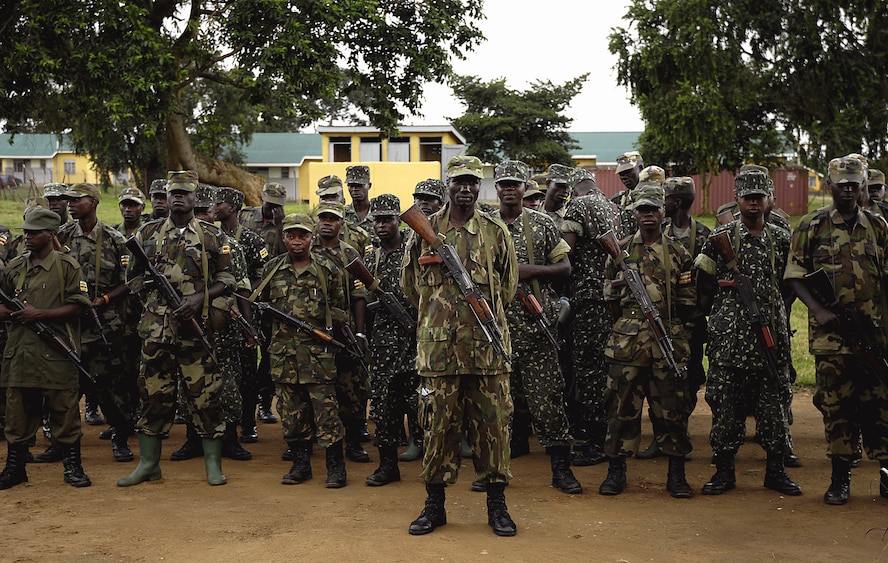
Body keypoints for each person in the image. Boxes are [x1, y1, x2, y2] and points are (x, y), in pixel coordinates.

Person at [402, 155, 518, 537]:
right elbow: (409, 285)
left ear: (479, 185)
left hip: (487, 349)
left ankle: (497, 505)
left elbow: (508, 285)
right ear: (448, 185)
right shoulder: (423, 229)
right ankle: (434, 504)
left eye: (472, 181)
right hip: (438, 352)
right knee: (437, 426)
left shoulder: (494, 230)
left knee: (494, 426)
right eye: (458, 181)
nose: (465, 187)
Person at [118, 170, 236, 487]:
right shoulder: (148, 233)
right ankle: (148, 464)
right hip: (157, 332)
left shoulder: (213, 236)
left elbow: (227, 280)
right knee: (153, 396)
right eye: (174, 192)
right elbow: (132, 279)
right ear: (167, 197)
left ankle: (213, 465)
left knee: (206, 398)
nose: (179, 197)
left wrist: (199, 298)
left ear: (196, 197)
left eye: (185, 192)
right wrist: (156, 299)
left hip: (195, 331)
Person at [785, 155, 888, 505]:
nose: (848, 190)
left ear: (862, 187)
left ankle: (886, 475)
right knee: (838, 409)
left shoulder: (877, 226)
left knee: (880, 408)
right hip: (832, 340)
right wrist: (817, 309)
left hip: (874, 336)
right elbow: (795, 274)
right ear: (830, 187)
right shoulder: (811, 226)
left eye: (854, 185)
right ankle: (840, 480)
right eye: (841, 185)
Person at [695, 168, 801, 497]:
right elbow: (703, 281)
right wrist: (724, 307)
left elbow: (793, 283)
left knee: (773, 407)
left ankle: (776, 471)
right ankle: (724, 471)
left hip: (771, 340)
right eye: (747, 198)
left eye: (759, 198)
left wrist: (775, 312)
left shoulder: (782, 238)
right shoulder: (721, 237)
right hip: (729, 341)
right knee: (726, 408)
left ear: (770, 199)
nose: (754, 204)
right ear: (737, 199)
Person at [599, 185, 696, 498]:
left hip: (667, 340)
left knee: (671, 411)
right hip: (627, 345)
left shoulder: (679, 253)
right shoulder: (621, 251)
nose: (648, 215)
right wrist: (630, 322)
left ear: (663, 212)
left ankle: (676, 475)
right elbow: (610, 298)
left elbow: (687, 302)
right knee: (621, 410)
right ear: (635, 214)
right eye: (642, 210)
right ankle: (616, 472)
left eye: (654, 209)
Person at [490, 160, 580, 495]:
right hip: (496, 331)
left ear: (525, 186)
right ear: (496, 188)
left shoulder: (541, 224)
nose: (510, 189)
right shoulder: (484, 225)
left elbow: (565, 267)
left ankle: (561, 469)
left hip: (537, 328)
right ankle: (495, 471)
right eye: (504, 184)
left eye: (515, 183)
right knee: (498, 405)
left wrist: (528, 271)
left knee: (547, 403)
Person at [0, 207, 93, 489]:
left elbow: (80, 306)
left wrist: (38, 315)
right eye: (25, 231)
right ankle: (15, 467)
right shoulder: (15, 266)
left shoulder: (67, 267)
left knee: (64, 412)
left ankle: (72, 467)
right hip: (21, 353)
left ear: (50, 234)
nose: (27, 236)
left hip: (56, 353)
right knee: (17, 414)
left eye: (34, 232)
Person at [254, 212, 349, 488]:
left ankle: (336, 468)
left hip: (318, 356)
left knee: (326, 414)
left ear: (312, 237)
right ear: (283, 237)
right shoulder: (272, 269)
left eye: (303, 236)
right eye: (291, 236)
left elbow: (339, 310)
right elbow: (260, 308)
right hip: (284, 356)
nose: (297, 241)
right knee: (291, 415)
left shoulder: (327, 269)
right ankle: (301, 465)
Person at [55, 183, 135, 464]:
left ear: (94, 202)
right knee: (65, 386)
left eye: (78, 200)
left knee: (110, 386)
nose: (72, 204)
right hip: (70, 325)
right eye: (70, 201)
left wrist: (102, 300)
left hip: (105, 324)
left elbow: (127, 282)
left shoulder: (114, 240)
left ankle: (120, 436)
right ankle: (61, 442)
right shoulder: (61, 236)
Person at [560, 168, 622, 466]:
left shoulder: (577, 204)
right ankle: (607, 434)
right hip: (611, 297)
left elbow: (566, 250)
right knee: (606, 366)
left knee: (588, 369)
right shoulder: (614, 206)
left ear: (573, 186)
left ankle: (597, 441)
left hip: (587, 300)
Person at [362, 194, 420, 486]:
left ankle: (428, 458)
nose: (382, 225)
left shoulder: (414, 250)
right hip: (383, 341)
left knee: (422, 402)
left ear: (399, 220)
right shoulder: (370, 257)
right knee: (384, 405)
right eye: (377, 219)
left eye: (388, 219)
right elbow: (364, 299)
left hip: (416, 337)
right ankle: (387, 465)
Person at [311, 201, 370, 463]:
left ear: (341, 224)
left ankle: (354, 441)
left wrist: (359, 333)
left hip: (343, 332)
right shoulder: (304, 249)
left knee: (351, 390)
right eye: (322, 218)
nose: (326, 222)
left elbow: (359, 295)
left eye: (332, 219)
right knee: (314, 389)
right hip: (312, 332)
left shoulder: (349, 254)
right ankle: (309, 441)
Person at [215, 186, 269, 446]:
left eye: (221, 202)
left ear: (233, 207)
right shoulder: (210, 236)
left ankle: (248, 424)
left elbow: (261, 275)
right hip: (221, 314)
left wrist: (248, 300)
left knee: (247, 373)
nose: (215, 206)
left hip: (246, 313)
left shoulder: (251, 239)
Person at [239, 182, 287, 425]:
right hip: (246, 296)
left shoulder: (287, 224)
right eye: (269, 204)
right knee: (245, 353)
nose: (272, 209)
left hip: (272, 299)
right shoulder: (246, 216)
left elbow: (287, 255)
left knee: (269, 354)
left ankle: (265, 402)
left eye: (277, 205)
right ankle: (242, 403)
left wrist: (280, 226)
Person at [345, 165, 374, 235]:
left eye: (360, 185)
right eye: (351, 185)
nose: (355, 189)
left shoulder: (377, 214)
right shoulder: (342, 214)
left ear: (369, 186)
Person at [543, 164, 572, 229]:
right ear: (548, 183)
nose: (565, 190)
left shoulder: (570, 216)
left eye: (569, 186)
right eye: (560, 185)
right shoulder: (533, 211)